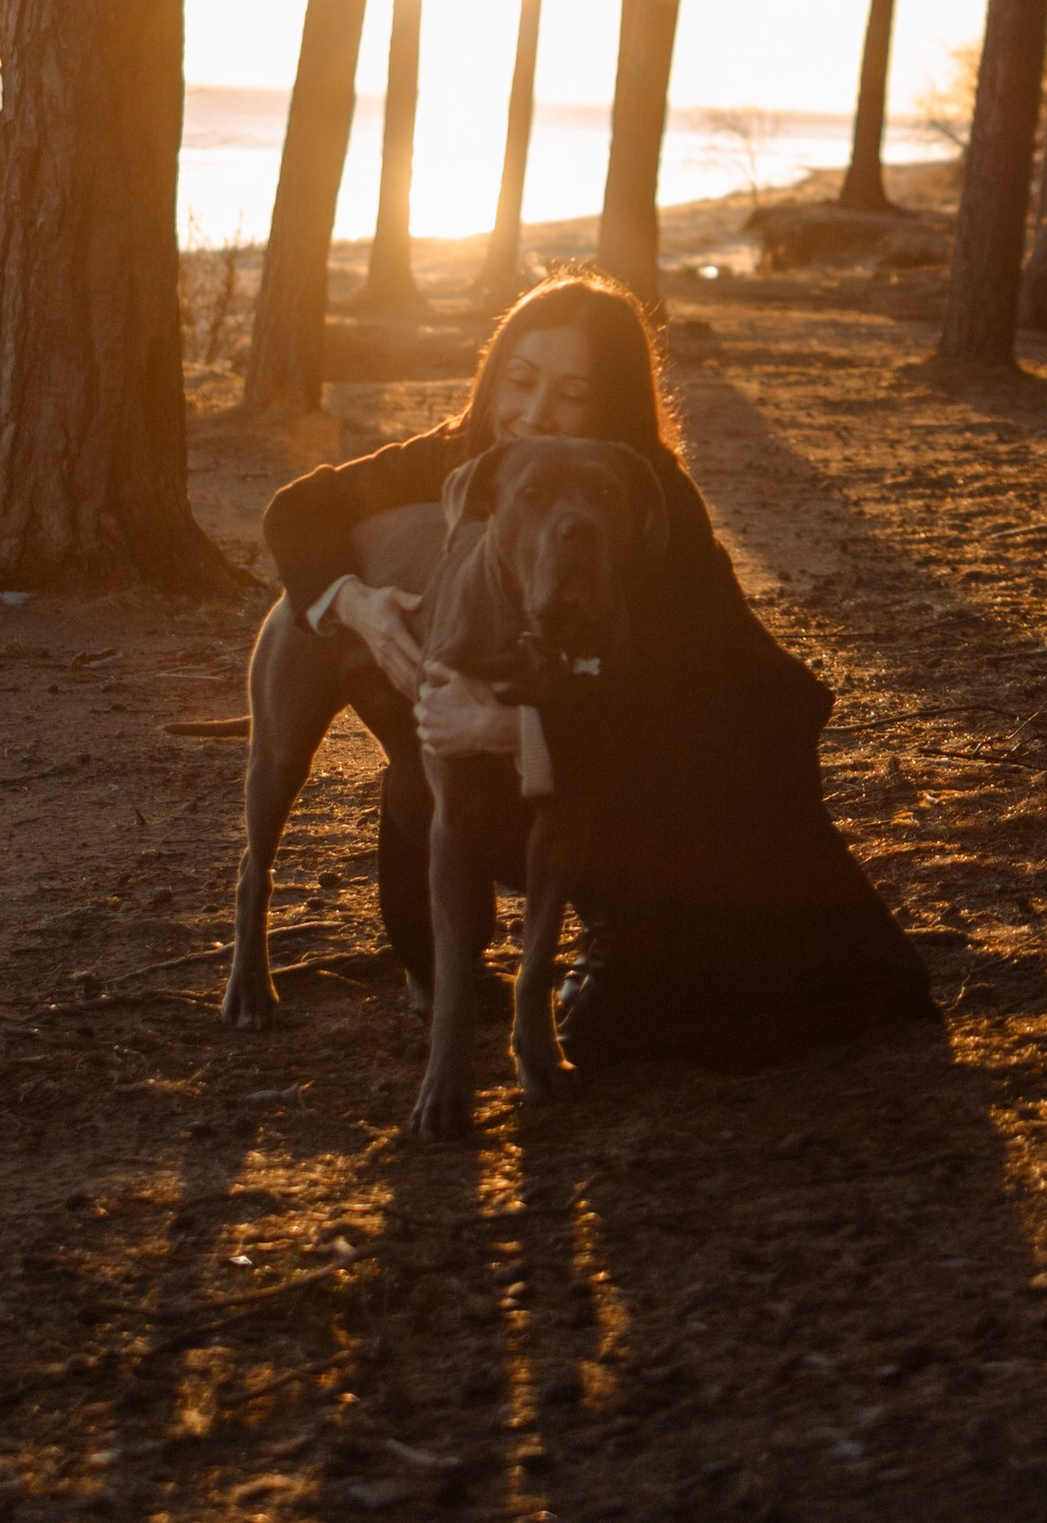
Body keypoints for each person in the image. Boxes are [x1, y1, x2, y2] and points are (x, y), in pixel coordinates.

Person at [258, 272, 932, 1071]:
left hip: (710, 766)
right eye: (520, 380)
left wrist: (512, 728)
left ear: (608, 404)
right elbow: (299, 511)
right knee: (420, 788)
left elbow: (681, 701)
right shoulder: (467, 455)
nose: (535, 412)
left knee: (679, 1027)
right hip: (575, 736)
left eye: (571, 394)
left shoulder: (653, 508)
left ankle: (637, 939)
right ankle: (460, 961)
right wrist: (355, 604)